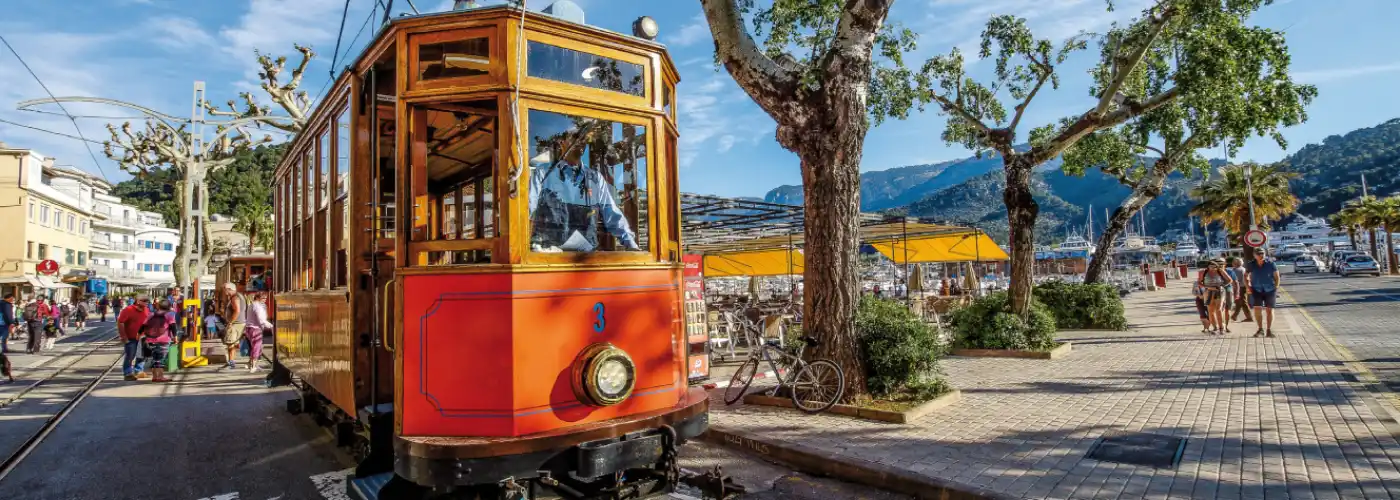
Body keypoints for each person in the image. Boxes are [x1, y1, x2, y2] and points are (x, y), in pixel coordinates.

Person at [527, 135, 640, 253]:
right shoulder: (543, 174)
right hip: (549, 258)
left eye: (583, 138)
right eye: (575, 137)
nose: (580, 141)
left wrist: (631, 245)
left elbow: (611, 213)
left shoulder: (595, 178)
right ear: (562, 142)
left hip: (586, 259)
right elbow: (527, 209)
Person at [1244, 250, 1281, 338]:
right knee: (1257, 309)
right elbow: (1245, 276)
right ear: (1254, 255)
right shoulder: (1251, 264)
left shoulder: (1271, 263)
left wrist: (1276, 288)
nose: (1261, 255)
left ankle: (1269, 330)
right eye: (1258, 254)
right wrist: (1248, 287)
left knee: (1269, 310)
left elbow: (1277, 277)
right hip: (1256, 289)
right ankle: (1260, 329)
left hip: (1270, 289)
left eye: (1262, 254)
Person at [117, 295, 152, 381]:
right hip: (131, 337)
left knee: (142, 355)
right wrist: (123, 337)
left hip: (143, 337)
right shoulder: (128, 310)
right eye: (144, 300)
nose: (146, 302)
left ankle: (138, 371)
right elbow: (120, 322)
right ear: (137, 301)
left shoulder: (146, 310)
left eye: (147, 301)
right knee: (130, 355)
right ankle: (128, 373)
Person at [140, 299, 175, 383]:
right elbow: (173, 327)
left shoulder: (151, 314)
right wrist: (175, 337)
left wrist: (138, 335)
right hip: (163, 340)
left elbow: (143, 326)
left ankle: (155, 376)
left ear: (158, 306)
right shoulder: (169, 315)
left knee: (155, 358)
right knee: (160, 359)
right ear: (169, 307)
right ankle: (160, 377)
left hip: (150, 340)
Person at [1201, 259, 1234, 334]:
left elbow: (1230, 280)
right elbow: (1199, 282)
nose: (1213, 268)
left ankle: (1221, 328)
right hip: (1208, 292)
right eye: (1211, 267)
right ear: (1208, 267)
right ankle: (1215, 328)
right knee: (1210, 310)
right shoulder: (1204, 272)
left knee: (1218, 309)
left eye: (1214, 267)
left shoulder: (1221, 271)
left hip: (1219, 291)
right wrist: (1207, 287)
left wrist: (1222, 286)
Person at [243, 292, 274, 373]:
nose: (265, 300)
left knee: (255, 347)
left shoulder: (252, 305)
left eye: (266, 298)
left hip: (249, 328)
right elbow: (261, 320)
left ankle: (251, 364)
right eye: (263, 298)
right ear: (257, 298)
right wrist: (271, 326)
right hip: (255, 329)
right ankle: (253, 366)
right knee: (256, 347)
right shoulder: (258, 307)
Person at [218, 282, 247, 370]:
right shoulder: (238, 296)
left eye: (225, 289)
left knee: (231, 344)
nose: (224, 291)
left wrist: (230, 322)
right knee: (232, 344)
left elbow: (237, 311)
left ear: (229, 289)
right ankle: (231, 362)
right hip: (239, 323)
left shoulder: (235, 298)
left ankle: (231, 364)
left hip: (235, 324)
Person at [1228, 257, 1254, 322]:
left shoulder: (1236, 270)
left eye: (1233, 262)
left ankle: (1249, 317)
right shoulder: (1243, 269)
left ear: (1235, 263)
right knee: (1239, 302)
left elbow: (1235, 281)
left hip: (1239, 288)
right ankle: (1235, 316)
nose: (1232, 263)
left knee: (1242, 302)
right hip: (1243, 287)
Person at [1192, 265, 1212, 334]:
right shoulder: (1196, 283)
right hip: (1199, 299)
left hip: (1209, 299)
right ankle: (1205, 328)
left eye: (1202, 274)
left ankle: (1209, 328)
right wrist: (1199, 295)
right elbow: (1193, 292)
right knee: (1202, 315)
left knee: (1210, 314)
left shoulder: (1209, 282)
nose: (1200, 276)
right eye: (1199, 274)